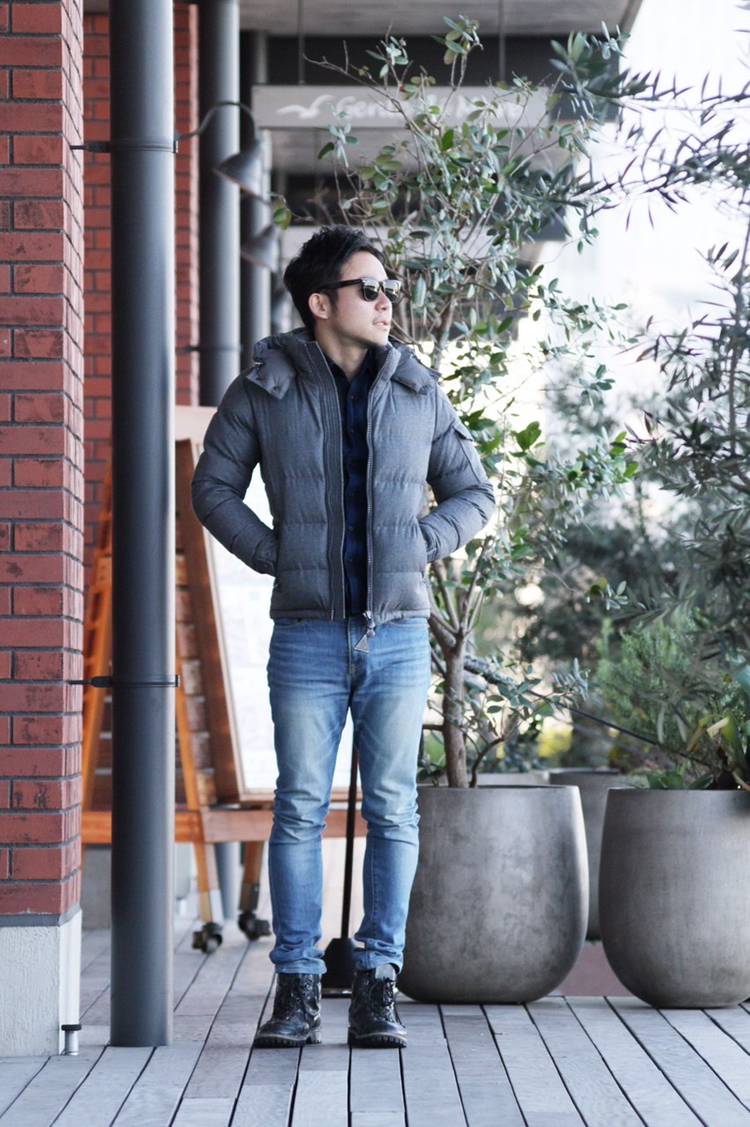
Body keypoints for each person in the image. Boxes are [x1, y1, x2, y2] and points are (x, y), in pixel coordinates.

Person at [191, 225, 496, 1049]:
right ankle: (296, 987)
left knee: (394, 808)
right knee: (298, 807)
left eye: (388, 287)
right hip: (308, 636)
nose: (386, 300)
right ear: (322, 303)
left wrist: (421, 543)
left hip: (397, 636)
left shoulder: (417, 389)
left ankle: (377, 984)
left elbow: (474, 493)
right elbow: (212, 487)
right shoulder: (265, 387)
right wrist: (277, 554)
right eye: (370, 288)